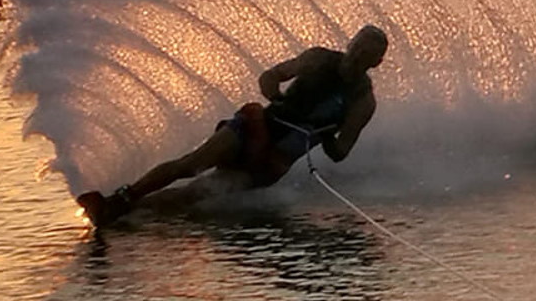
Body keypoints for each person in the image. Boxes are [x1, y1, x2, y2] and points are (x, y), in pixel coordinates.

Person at [76, 25, 389, 226]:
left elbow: (342, 151)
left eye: (368, 55)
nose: (359, 55)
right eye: (358, 46)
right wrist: (273, 93)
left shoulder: (363, 102)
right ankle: (121, 199)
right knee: (191, 165)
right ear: (351, 42)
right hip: (257, 126)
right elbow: (270, 76)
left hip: (274, 160)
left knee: (195, 195)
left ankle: (128, 215)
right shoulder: (317, 59)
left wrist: (327, 134)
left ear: (376, 63)